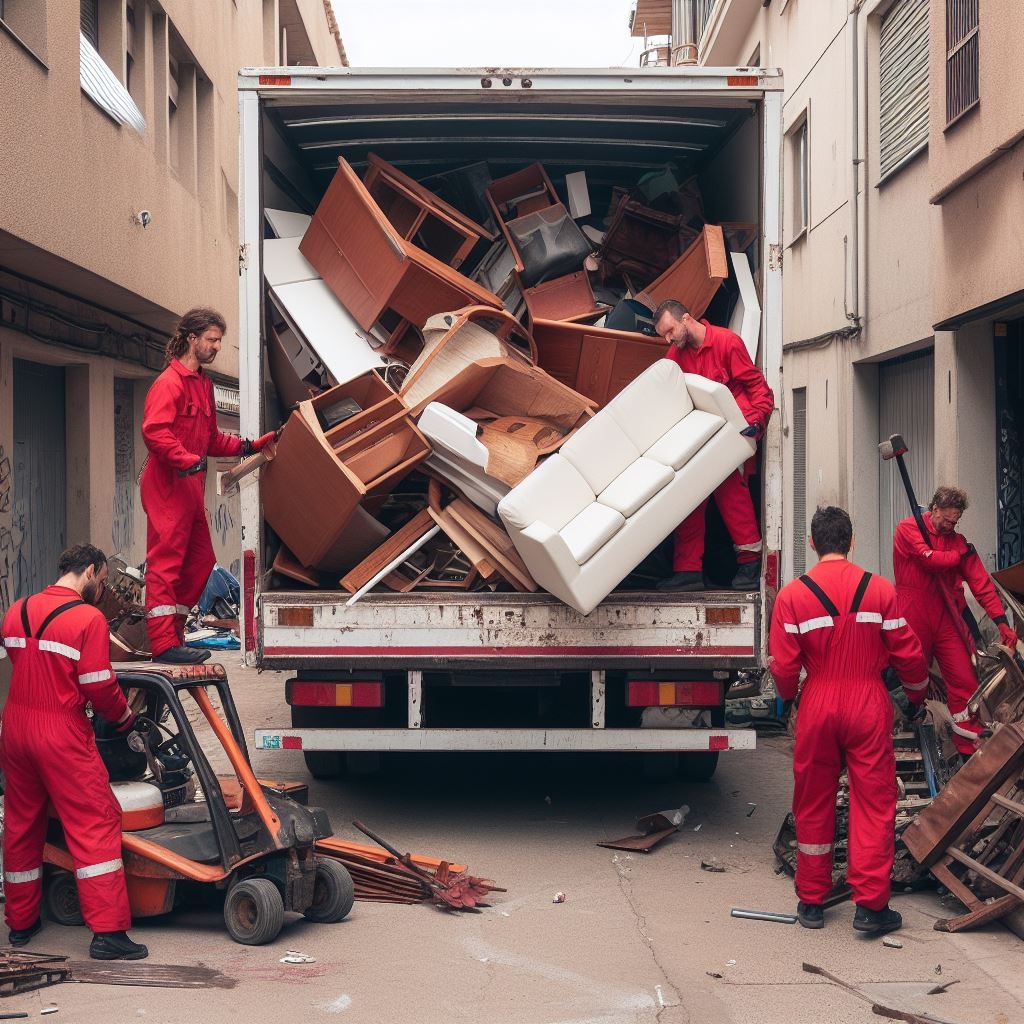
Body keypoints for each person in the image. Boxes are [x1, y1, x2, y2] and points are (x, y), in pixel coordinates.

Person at [768, 506, 929, 935]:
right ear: (851, 541)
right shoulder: (879, 590)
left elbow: (783, 668)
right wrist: (916, 694)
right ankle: (871, 907)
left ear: (814, 544)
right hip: (867, 701)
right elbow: (908, 652)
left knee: (813, 799)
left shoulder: (791, 597)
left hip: (818, 700)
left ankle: (812, 901)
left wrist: (790, 700)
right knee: (873, 802)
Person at [0, 545, 148, 960]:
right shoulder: (88, 619)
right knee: (95, 820)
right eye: (101, 581)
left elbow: (23, 660)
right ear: (88, 572)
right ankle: (108, 933)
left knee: (21, 823)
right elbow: (99, 685)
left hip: (14, 728)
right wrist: (123, 720)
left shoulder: (17, 610)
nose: (101, 589)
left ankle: (21, 924)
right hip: (60, 731)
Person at [141, 307, 276, 664]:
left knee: (201, 560)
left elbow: (211, 439)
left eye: (219, 340)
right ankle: (163, 644)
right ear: (192, 338)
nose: (216, 346)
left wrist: (249, 446)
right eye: (212, 339)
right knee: (165, 563)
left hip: (189, 486)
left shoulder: (204, 384)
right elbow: (154, 432)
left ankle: (174, 635)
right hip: (168, 485)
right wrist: (187, 460)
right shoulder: (169, 384)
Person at [653, 299, 775, 591]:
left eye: (670, 331)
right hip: (702, 438)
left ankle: (749, 565)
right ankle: (688, 571)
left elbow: (758, 388)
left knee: (733, 499)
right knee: (690, 500)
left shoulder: (727, 343)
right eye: (664, 336)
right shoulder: (676, 355)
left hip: (734, 434)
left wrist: (756, 422)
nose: (668, 339)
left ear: (686, 318)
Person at [893, 486, 1018, 756]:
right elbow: (931, 562)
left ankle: (968, 750)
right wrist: (957, 556)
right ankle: (908, 712)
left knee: (965, 685)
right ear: (934, 509)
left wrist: (1002, 623)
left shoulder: (958, 542)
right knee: (912, 673)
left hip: (947, 619)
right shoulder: (908, 529)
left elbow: (981, 584)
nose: (950, 526)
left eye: (955, 521)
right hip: (913, 615)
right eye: (947, 520)